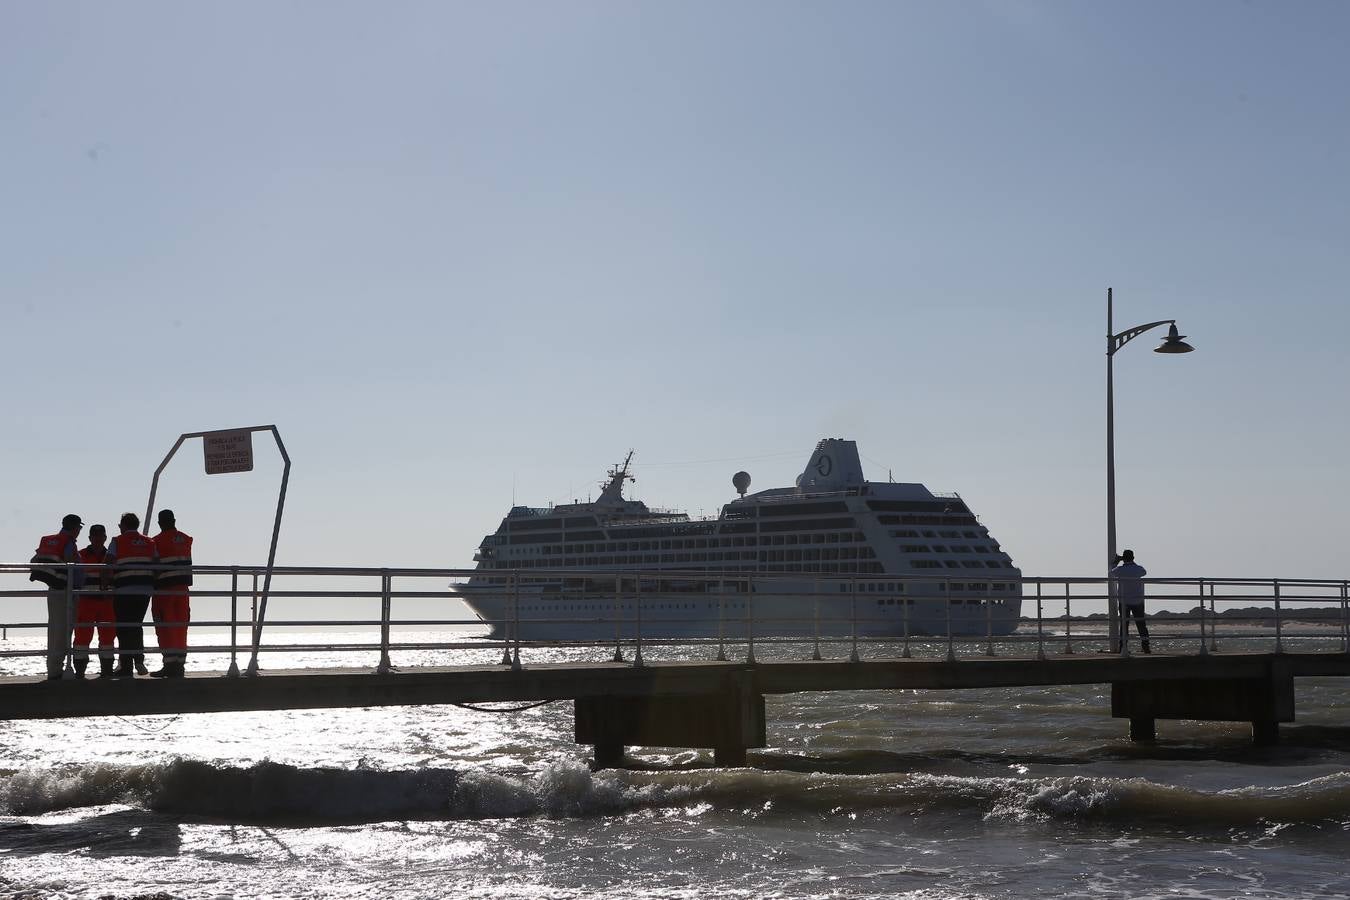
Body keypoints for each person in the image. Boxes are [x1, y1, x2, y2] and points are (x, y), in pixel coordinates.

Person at [29, 513, 85, 680]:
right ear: (76, 528)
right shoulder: (68, 543)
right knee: (63, 631)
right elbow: (70, 563)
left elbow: (34, 559)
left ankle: (52, 668)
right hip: (65, 591)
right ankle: (56, 670)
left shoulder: (49, 540)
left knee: (54, 629)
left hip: (53, 589)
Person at [105, 512, 157, 677]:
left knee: (123, 626)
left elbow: (109, 560)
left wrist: (105, 584)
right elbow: (156, 562)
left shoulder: (117, 541)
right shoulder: (149, 542)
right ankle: (139, 661)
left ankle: (126, 666)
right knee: (136, 625)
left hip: (124, 589)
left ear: (123, 525)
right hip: (144, 590)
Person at [150, 509, 192, 678]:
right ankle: (180, 665)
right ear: (174, 520)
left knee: (165, 627)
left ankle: (169, 664)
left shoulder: (156, 541)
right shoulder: (186, 539)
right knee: (181, 628)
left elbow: (152, 566)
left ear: (160, 523)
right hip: (183, 591)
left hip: (164, 591)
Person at [73, 524, 117, 679]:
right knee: (82, 637)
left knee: (108, 637)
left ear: (105, 537)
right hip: (86, 601)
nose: (98, 538)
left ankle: (106, 670)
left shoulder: (112, 556)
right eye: (95, 536)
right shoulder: (80, 555)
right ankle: (79, 671)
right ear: (90, 538)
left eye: (101, 536)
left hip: (107, 602)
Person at [1110, 548, 1150, 654]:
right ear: (1133, 557)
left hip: (1124, 601)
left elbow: (1111, 572)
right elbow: (1144, 572)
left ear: (1123, 558)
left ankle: (1123, 647)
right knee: (1141, 625)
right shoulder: (1139, 569)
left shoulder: (1119, 570)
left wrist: (1116, 562)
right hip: (1138, 600)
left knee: (1124, 625)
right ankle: (1146, 647)